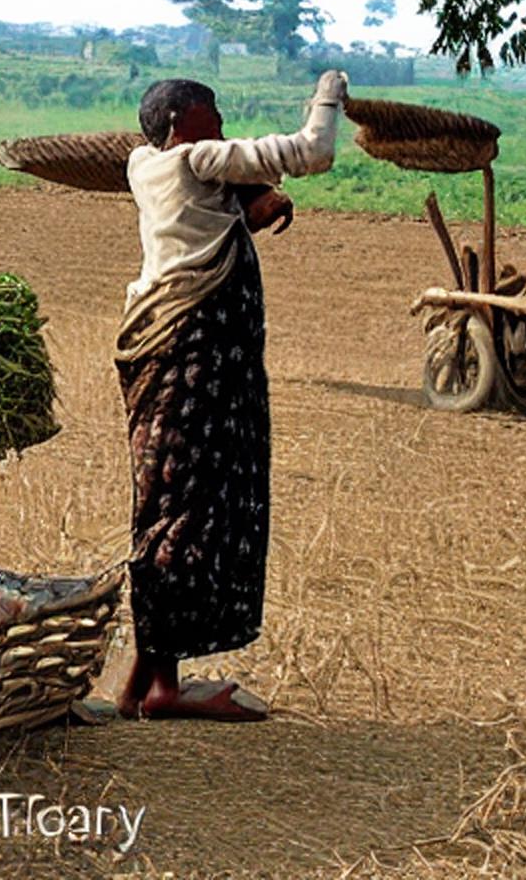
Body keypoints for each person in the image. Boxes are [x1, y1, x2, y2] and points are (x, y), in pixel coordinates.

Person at [114, 70, 348, 720]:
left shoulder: (144, 165)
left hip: (165, 359)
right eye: (210, 113)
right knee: (190, 509)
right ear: (179, 126)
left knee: (164, 504)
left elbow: (201, 209)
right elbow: (313, 151)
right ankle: (162, 688)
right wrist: (331, 94)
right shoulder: (196, 158)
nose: (220, 125)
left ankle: (143, 676)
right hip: (196, 363)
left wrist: (247, 206)